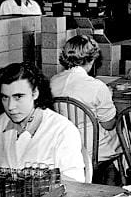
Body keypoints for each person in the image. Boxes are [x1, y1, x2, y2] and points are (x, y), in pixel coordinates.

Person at [0, 62, 85, 182]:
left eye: (18, 97)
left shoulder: (63, 130)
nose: (10, 106)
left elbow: (75, 183)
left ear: (35, 93)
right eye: (5, 97)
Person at [50, 35, 121, 184]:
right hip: (91, 148)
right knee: (125, 135)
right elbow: (109, 124)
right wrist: (108, 95)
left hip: (63, 144)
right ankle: (117, 183)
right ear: (92, 59)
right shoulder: (96, 86)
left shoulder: (53, 81)